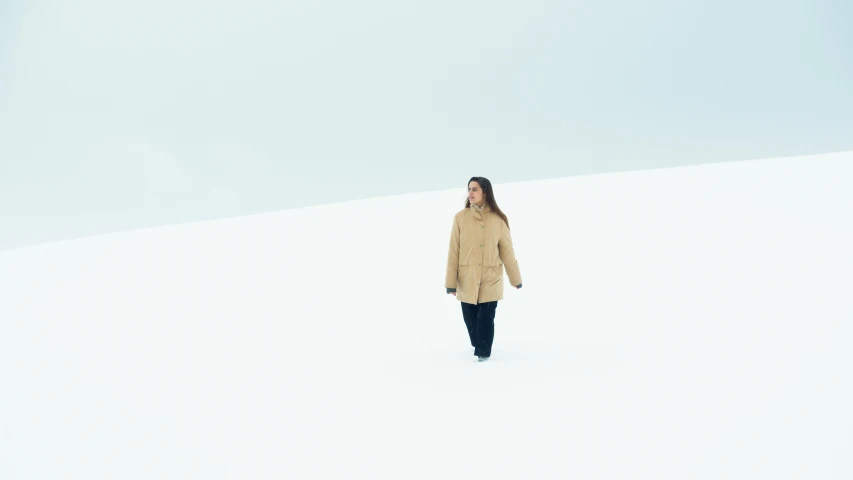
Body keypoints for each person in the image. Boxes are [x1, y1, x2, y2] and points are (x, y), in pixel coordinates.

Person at [445, 177, 522, 362]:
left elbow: (507, 253)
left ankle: (483, 358)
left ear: (485, 192)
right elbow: (453, 251)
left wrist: (516, 279)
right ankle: (478, 347)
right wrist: (451, 283)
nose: (470, 193)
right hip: (467, 278)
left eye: (475, 189)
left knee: (485, 319)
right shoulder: (460, 218)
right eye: (469, 189)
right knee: (470, 320)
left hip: (490, 278)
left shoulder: (498, 220)